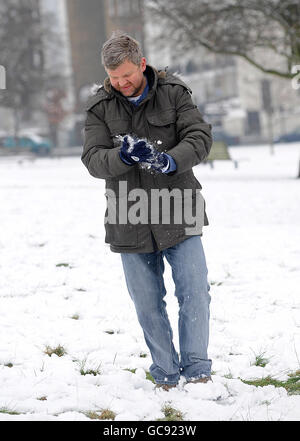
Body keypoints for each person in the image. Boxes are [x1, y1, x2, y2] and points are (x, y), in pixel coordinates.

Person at [81, 31, 213, 391]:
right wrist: (122, 156)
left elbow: (200, 137)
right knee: (147, 303)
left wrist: (171, 161)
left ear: (141, 63)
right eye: (114, 78)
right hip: (129, 218)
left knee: (194, 292)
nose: (121, 84)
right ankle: (166, 374)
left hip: (178, 208)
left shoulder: (174, 92)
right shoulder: (99, 108)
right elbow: (93, 160)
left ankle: (198, 370)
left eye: (126, 75)